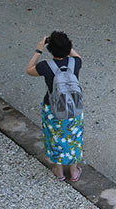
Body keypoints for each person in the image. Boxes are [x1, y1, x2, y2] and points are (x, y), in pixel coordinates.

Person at [26, 31, 84, 182]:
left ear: (50, 49)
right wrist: (67, 46)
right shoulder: (75, 63)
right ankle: (74, 171)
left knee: (55, 138)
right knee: (73, 138)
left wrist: (39, 49)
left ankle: (59, 171)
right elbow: (78, 57)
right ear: (69, 46)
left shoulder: (46, 66)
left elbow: (29, 70)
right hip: (74, 107)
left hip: (52, 109)